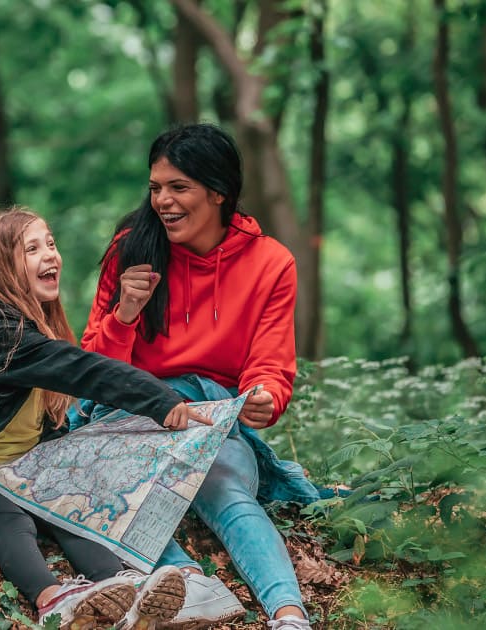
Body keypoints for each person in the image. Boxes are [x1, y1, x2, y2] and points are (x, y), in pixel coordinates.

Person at [0, 207, 211, 630]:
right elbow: (81, 369)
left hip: (17, 469)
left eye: (50, 243)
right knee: (12, 517)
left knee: (68, 505)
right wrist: (159, 399)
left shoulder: (38, 324)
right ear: (0, 268)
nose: (50, 254)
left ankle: (123, 588)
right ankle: (53, 599)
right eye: (32, 248)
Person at [80, 123, 316, 630]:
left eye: (178, 187)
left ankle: (290, 615)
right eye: (155, 187)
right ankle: (188, 585)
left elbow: (271, 365)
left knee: (227, 489)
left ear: (218, 192)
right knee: (110, 496)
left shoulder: (271, 263)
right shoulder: (131, 251)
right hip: (135, 415)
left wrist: (264, 397)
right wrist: (124, 314)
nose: (162, 201)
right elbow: (91, 368)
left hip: (212, 417)